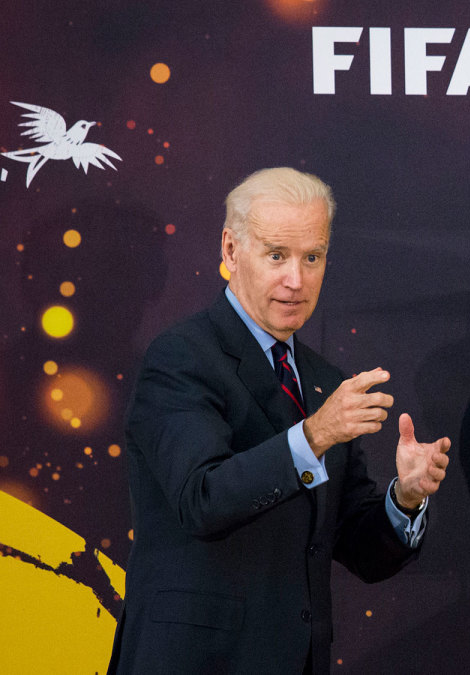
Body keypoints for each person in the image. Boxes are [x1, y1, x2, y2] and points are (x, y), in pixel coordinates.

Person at [107, 167, 451, 674]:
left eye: (312, 257)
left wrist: (405, 497)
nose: (297, 279)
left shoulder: (321, 379)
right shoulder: (181, 357)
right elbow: (201, 499)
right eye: (276, 255)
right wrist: (314, 435)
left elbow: (359, 550)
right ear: (230, 251)